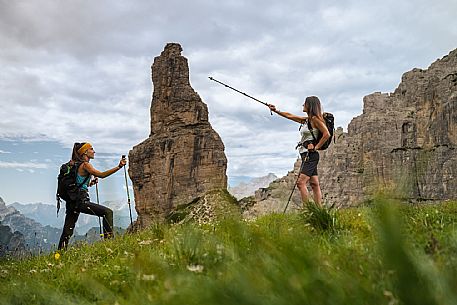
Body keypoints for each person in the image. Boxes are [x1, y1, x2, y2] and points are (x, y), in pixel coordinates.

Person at [58, 142, 127, 250]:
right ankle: (109, 246)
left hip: (72, 202)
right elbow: (102, 175)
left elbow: (77, 184)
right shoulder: (85, 165)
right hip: (81, 201)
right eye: (91, 149)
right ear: (85, 152)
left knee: (67, 231)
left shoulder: (74, 165)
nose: (94, 151)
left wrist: (90, 183)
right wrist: (119, 166)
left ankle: (59, 255)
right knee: (107, 213)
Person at [268, 96, 330, 206]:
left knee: (301, 183)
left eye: (304, 103)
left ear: (310, 105)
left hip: (310, 155)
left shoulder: (315, 119)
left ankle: (308, 210)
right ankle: (319, 210)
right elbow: (290, 116)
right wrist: (276, 110)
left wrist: (316, 147)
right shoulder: (307, 120)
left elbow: (326, 134)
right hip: (305, 154)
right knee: (314, 183)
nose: (303, 105)